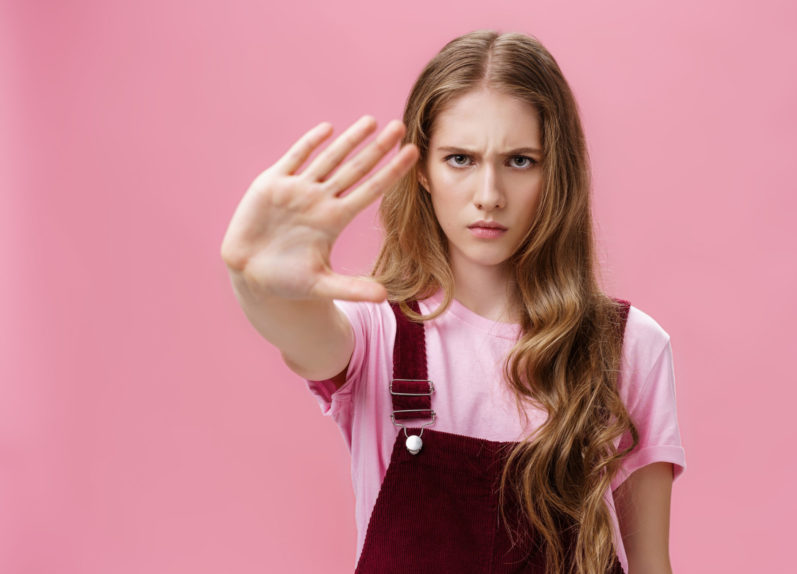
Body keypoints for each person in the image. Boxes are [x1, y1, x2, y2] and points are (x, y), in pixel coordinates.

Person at [221, 29, 686, 574]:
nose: (488, 193)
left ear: (555, 170)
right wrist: (257, 284)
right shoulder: (376, 332)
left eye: (519, 161)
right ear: (422, 169)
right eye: (460, 158)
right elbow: (295, 326)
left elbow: (652, 563)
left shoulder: (630, 346)